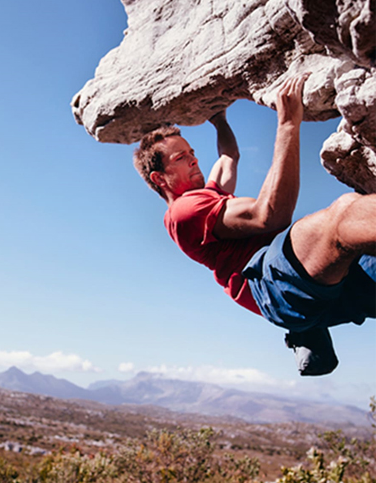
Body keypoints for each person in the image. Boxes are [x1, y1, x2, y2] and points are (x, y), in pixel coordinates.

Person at [133, 73, 376, 376]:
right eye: (182, 157)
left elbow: (228, 156)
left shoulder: (208, 194)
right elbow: (269, 215)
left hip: (309, 292)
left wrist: (219, 119)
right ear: (159, 178)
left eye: (192, 153)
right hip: (272, 285)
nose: (194, 160)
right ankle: (304, 331)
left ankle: (307, 333)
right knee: (344, 215)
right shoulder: (184, 212)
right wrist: (288, 124)